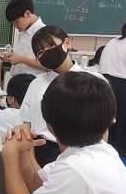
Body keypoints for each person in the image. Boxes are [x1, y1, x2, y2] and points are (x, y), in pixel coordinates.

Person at [14, 25, 105, 167]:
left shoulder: (94, 81)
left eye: (51, 45)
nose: (46, 52)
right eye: (40, 52)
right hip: (42, 150)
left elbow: (104, 128)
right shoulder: (36, 84)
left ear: (67, 43)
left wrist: (99, 160)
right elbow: (26, 123)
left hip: (82, 153)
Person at [99, 15, 126, 162]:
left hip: (104, 86)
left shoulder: (113, 41)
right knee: (123, 131)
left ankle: (101, 161)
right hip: (125, 92)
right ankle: (120, 164)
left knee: (105, 127)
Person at [3, 0, 46, 76]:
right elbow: (24, 55)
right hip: (18, 79)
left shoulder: (44, 33)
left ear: (27, 14)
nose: (15, 26)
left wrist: (21, 59)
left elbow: (47, 66)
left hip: (32, 82)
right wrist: (12, 56)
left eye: (16, 22)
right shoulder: (24, 31)